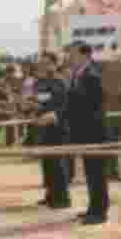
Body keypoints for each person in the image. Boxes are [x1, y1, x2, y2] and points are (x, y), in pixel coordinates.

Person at [65, 42, 110, 225]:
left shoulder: (92, 75)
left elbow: (89, 104)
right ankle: (93, 208)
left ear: (84, 55)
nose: (69, 57)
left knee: (97, 173)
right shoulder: (79, 74)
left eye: (72, 54)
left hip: (94, 132)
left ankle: (99, 212)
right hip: (83, 131)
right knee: (90, 174)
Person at [32, 51, 71, 209]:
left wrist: (53, 115)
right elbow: (40, 102)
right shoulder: (39, 83)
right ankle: (50, 194)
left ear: (55, 64)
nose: (44, 66)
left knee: (57, 163)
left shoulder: (61, 82)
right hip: (43, 127)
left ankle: (62, 198)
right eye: (42, 63)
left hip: (58, 127)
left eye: (48, 63)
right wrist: (31, 107)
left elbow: (66, 105)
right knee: (47, 163)